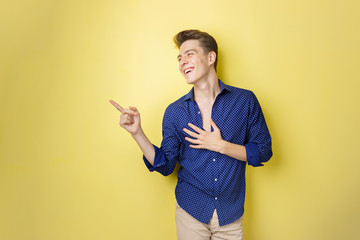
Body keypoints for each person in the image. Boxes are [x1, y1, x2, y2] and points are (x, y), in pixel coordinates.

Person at [110, 29, 272, 240]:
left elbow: (264, 151)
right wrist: (137, 133)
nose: (182, 62)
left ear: (210, 57)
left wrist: (220, 145)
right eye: (179, 57)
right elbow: (165, 165)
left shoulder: (245, 101)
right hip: (191, 211)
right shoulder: (175, 111)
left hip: (230, 214)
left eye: (189, 54)